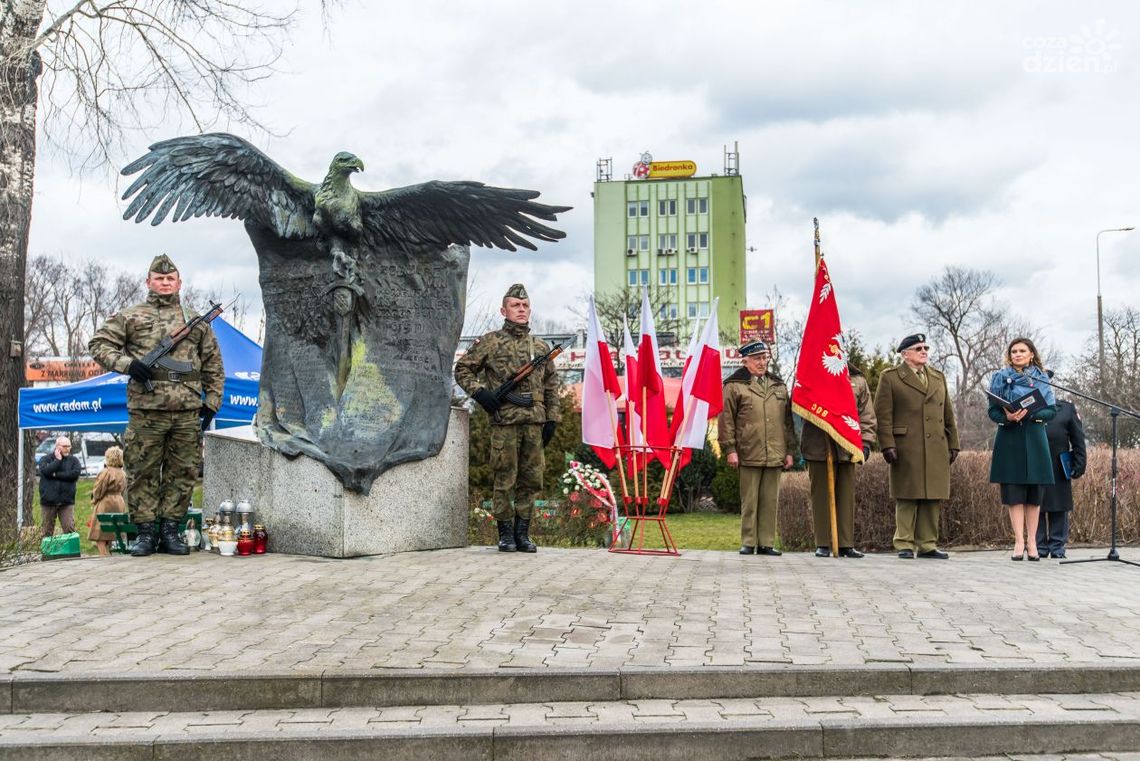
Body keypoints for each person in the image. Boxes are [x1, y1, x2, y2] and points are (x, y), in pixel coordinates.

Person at [88, 254, 225, 557]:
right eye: (159, 278)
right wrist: (129, 364)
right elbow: (98, 344)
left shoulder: (196, 322)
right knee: (142, 472)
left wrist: (212, 403)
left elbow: (213, 364)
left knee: (183, 472)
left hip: (187, 412)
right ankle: (146, 533)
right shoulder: (130, 316)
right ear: (148, 282)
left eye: (170, 278)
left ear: (179, 283)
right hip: (146, 412)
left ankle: (170, 531)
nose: (165, 283)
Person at [455, 283, 561, 553]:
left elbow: (551, 385)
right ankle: (505, 534)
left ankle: (522, 534)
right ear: (504, 310)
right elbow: (463, 370)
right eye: (516, 305)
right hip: (505, 422)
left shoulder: (540, 346)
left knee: (531, 479)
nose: (521, 309)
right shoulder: (490, 341)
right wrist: (481, 394)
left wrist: (552, 419)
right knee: (505, 478)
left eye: (525, 306)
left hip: (534, 424)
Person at [874, 333, 959, 559]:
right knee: (907, 495)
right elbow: (883, 415)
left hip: (936, 445)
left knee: (933, 495)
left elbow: (948, 413)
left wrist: (954, 443)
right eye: (919, 348)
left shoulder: (938, 377)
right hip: (906, 445)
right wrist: (886, 445)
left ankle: (927, 544)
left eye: (926, 348)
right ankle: (904, 543)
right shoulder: (891, 377)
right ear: (905, 354)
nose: (924, 352)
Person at [717, 340, 797, 556]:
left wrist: (790, 451)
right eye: (756, 359)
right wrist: (730, 449)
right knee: (750, 500)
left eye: (764, 358)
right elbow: (726, 420)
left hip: (776, 451)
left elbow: (787, 421)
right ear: (745, 361)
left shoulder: (779, 385)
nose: (762, 362)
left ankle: (766, 543)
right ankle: (749, 541)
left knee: (770, 500)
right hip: (747, 451)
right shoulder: (733, 385)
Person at [987, 337, 1056, 561]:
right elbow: (992, 411)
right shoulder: (999, 377)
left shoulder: (1042, 378)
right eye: (1014, 351)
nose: (1017, 354)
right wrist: (1007, 416)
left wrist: (1032, 412)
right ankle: (1018, 541)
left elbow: (1051, 411)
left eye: (1022, 350)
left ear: (1031, 354)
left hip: (1035, 437)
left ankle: (1033, 542)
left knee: (1034, 495)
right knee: (1014, 493)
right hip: (1010, 437)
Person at [801, 365, 877, 558]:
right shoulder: (811, 373)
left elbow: (866, 415)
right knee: (820, 496)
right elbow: (800, 403)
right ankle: (823, 543)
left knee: (846, 495)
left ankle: (845, 543)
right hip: (818, 445)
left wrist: (865, 443)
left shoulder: (857, 380)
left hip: (848, 446)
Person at [1037, 375, 1086, 559]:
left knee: (1059, 505)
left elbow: (1078, 440)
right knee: (1036, 504)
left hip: (1059, 464)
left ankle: (1057, 547)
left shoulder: (1066, 408)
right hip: (1035, 464)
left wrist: (1079, 464)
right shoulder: (1026, 409)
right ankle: (1039, 546)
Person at [37, 436, 81, 539]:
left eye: (69, 446)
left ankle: (71, 554)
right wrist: (57, 460)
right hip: (48, 501)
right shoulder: (46, 459)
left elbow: (74, 474)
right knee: (47, 531)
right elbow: (46, 471)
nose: (67, 448)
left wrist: (56, 475)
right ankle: (47, 554)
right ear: (57, 447)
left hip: (66, 501)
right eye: (64, 446)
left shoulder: (74, 460)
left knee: (69, 529)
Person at [87, 446, 128, 557]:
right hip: (119, 501)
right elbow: (124, 489)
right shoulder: (122, 473)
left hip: (106, 502)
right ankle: (108, 553)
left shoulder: (106, 472)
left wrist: (94, 499)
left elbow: (99, 489)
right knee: (112, 530)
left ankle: (104, 555)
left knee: (99, 532)